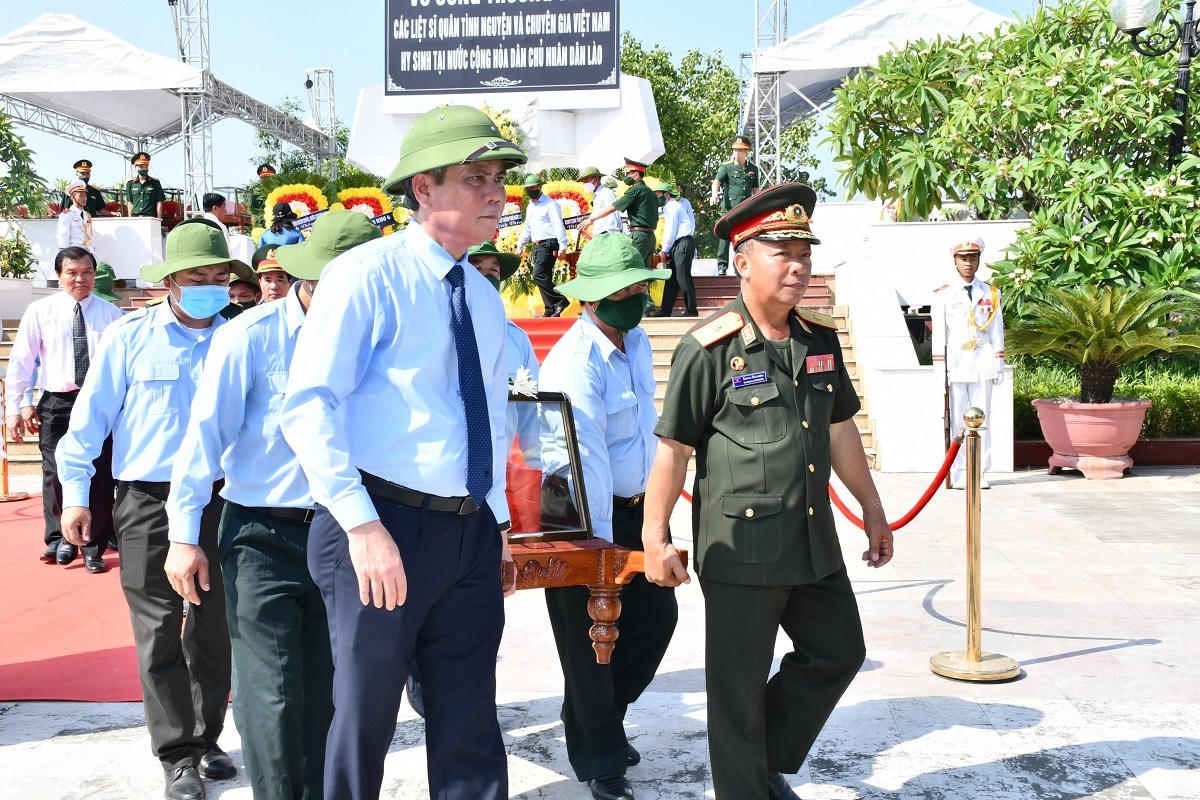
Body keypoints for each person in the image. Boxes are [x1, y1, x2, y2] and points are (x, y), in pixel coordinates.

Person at [279, 104, 524, 800]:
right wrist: (362, 526)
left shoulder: (481, 293)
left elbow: (491, 414)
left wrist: (496, 524)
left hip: (467, 531)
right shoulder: (366, 275)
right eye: (476, 178)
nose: (495, 196)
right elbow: (308, 405)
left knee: (470, 717)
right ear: (423, 188)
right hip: (379, 523)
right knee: (365, 720)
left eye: (499, 181)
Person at [641, 183, 894, 800]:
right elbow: (673, 449)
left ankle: (758, 761)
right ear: (742, 259)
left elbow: (839, 430)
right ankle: (747, 783)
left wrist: (873, 509)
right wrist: (655, 537)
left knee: (838, 652)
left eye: (803, 251)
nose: (797, 264)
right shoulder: (710, 349)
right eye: (781, 250)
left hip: (813, 542)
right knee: (737, 688)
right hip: (742, 546)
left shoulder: (820, 341)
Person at [165, 210, 382, 800]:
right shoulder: (250, 337)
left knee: (334, 686)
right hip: (264, 534)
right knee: (274, 690)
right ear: (309, 282)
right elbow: (203, 438)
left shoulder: (381, 337)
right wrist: (184, 537)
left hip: (348, 533)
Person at [56, 223, 256, 800]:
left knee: (216, 629)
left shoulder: (239, 338)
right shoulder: (128, 338)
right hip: (147, 501)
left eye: (222, 279)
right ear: (169, 281)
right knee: (159, 629)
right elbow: (88, 423)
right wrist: (74, 496)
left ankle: (207, 735)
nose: (213, 289)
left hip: (223, 500)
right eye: (199, 279)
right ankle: (176, 754)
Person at [538, 232, 679, 800]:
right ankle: (600, 758)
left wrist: (657, 514)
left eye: (642, 285)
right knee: (589, 640)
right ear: (592, 298)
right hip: (580, 515)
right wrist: (597, 548)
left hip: (636, 509)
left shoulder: (636, 340)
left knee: (654, 618)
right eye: (627, 289)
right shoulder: (575, 362)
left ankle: (596, 719)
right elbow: (582, 461)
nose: (640, 297)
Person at [6, 246, 124, 573]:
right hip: (57, 401)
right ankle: (59, 538)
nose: (80, 279)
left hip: (99, 401)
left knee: (99, 472)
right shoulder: (39, 311)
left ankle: (94, 545)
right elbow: (22, 363)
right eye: (72, 273)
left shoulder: (111, 315)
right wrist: (17, 407)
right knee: (54, 471)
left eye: (87, 272)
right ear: (59, 275)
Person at [931, 236, 1004, 489]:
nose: (968, 263)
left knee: (983, 421)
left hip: (983, 361)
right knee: (958, 422)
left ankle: (980, 472)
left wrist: (999, 364)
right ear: (955, 260)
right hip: (957, 363)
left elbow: (997, 332)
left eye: (972, 258)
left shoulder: (991, 293)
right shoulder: (943, 295)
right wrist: (940, 370)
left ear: (978, 260)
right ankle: (960, 471)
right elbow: (939, 335)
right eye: (963, 258)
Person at [583, 159, 658, 269]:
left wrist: (591, 220)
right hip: (650, 237)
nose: (626, 176)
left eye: (628, 173)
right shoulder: (650, 192)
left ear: (636, 175)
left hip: (639, 236)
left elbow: (612, 208)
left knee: (633, 270)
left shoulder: (635, 190)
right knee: (644, 273)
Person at [515, 173, 570, 317]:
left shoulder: (551, 204)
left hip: (549, 243)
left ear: (540, 186)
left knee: (538, 274)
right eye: (528, 188)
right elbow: (527, 227)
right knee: (544, 275)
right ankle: (550, 309)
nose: (530, 190)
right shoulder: (531, 206)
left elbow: (558, 225)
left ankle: (560, 301)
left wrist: (562, 245)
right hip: (538, 244)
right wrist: (520, 245)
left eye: (533, 187)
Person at [711, 135, 761, 276]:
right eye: (735, 150)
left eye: (741, 150)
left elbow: (755, 189)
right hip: (729, 208)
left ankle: (742, 266)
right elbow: (716, 182)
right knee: (724, 237)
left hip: (745, 209)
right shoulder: (727, 167)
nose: (737, 152)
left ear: (746, 152)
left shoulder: (753, 169)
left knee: (744, 237)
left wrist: (758, 201)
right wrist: (714, 194)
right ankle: (722, 266)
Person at [653, 182, 698, 317]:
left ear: (666, 195)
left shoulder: (672, 206)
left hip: (683, 242)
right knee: (672, 278)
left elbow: (670, 230)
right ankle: (665, 309)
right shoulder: (671, 206)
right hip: (678, 244)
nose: (657, 198)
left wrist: (664, 250)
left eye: (658, 195)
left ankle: (691, 309)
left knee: (682, 277)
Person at [578, 166, 623, 235]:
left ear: (595, 179)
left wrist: (611, 235)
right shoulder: (596, 196)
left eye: (586, 180)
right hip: (600, 234)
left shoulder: (606, 192)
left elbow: (612, 212)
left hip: (608, 234)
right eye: (584, 182)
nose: (584, 184)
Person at [125, 152, 167, 219]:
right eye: (141, 166)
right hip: (135, 217)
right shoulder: (130, 183)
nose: (144, 168)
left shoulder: (155, 182)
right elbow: (130, 203)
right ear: (136, 167)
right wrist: (130, 219)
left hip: (150, 218)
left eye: (146, 166)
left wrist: (158, 219)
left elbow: (159, 202)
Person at [56, 182, 94, 253]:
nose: (84, 199)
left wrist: (92, 249)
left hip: (87, 251)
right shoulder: (66, 215)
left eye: (85, 196)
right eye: (81, 196)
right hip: (73, 251)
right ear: (72, 197)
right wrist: (64, 253)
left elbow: (90, 236)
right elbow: (63, 236)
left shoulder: (87, 215)